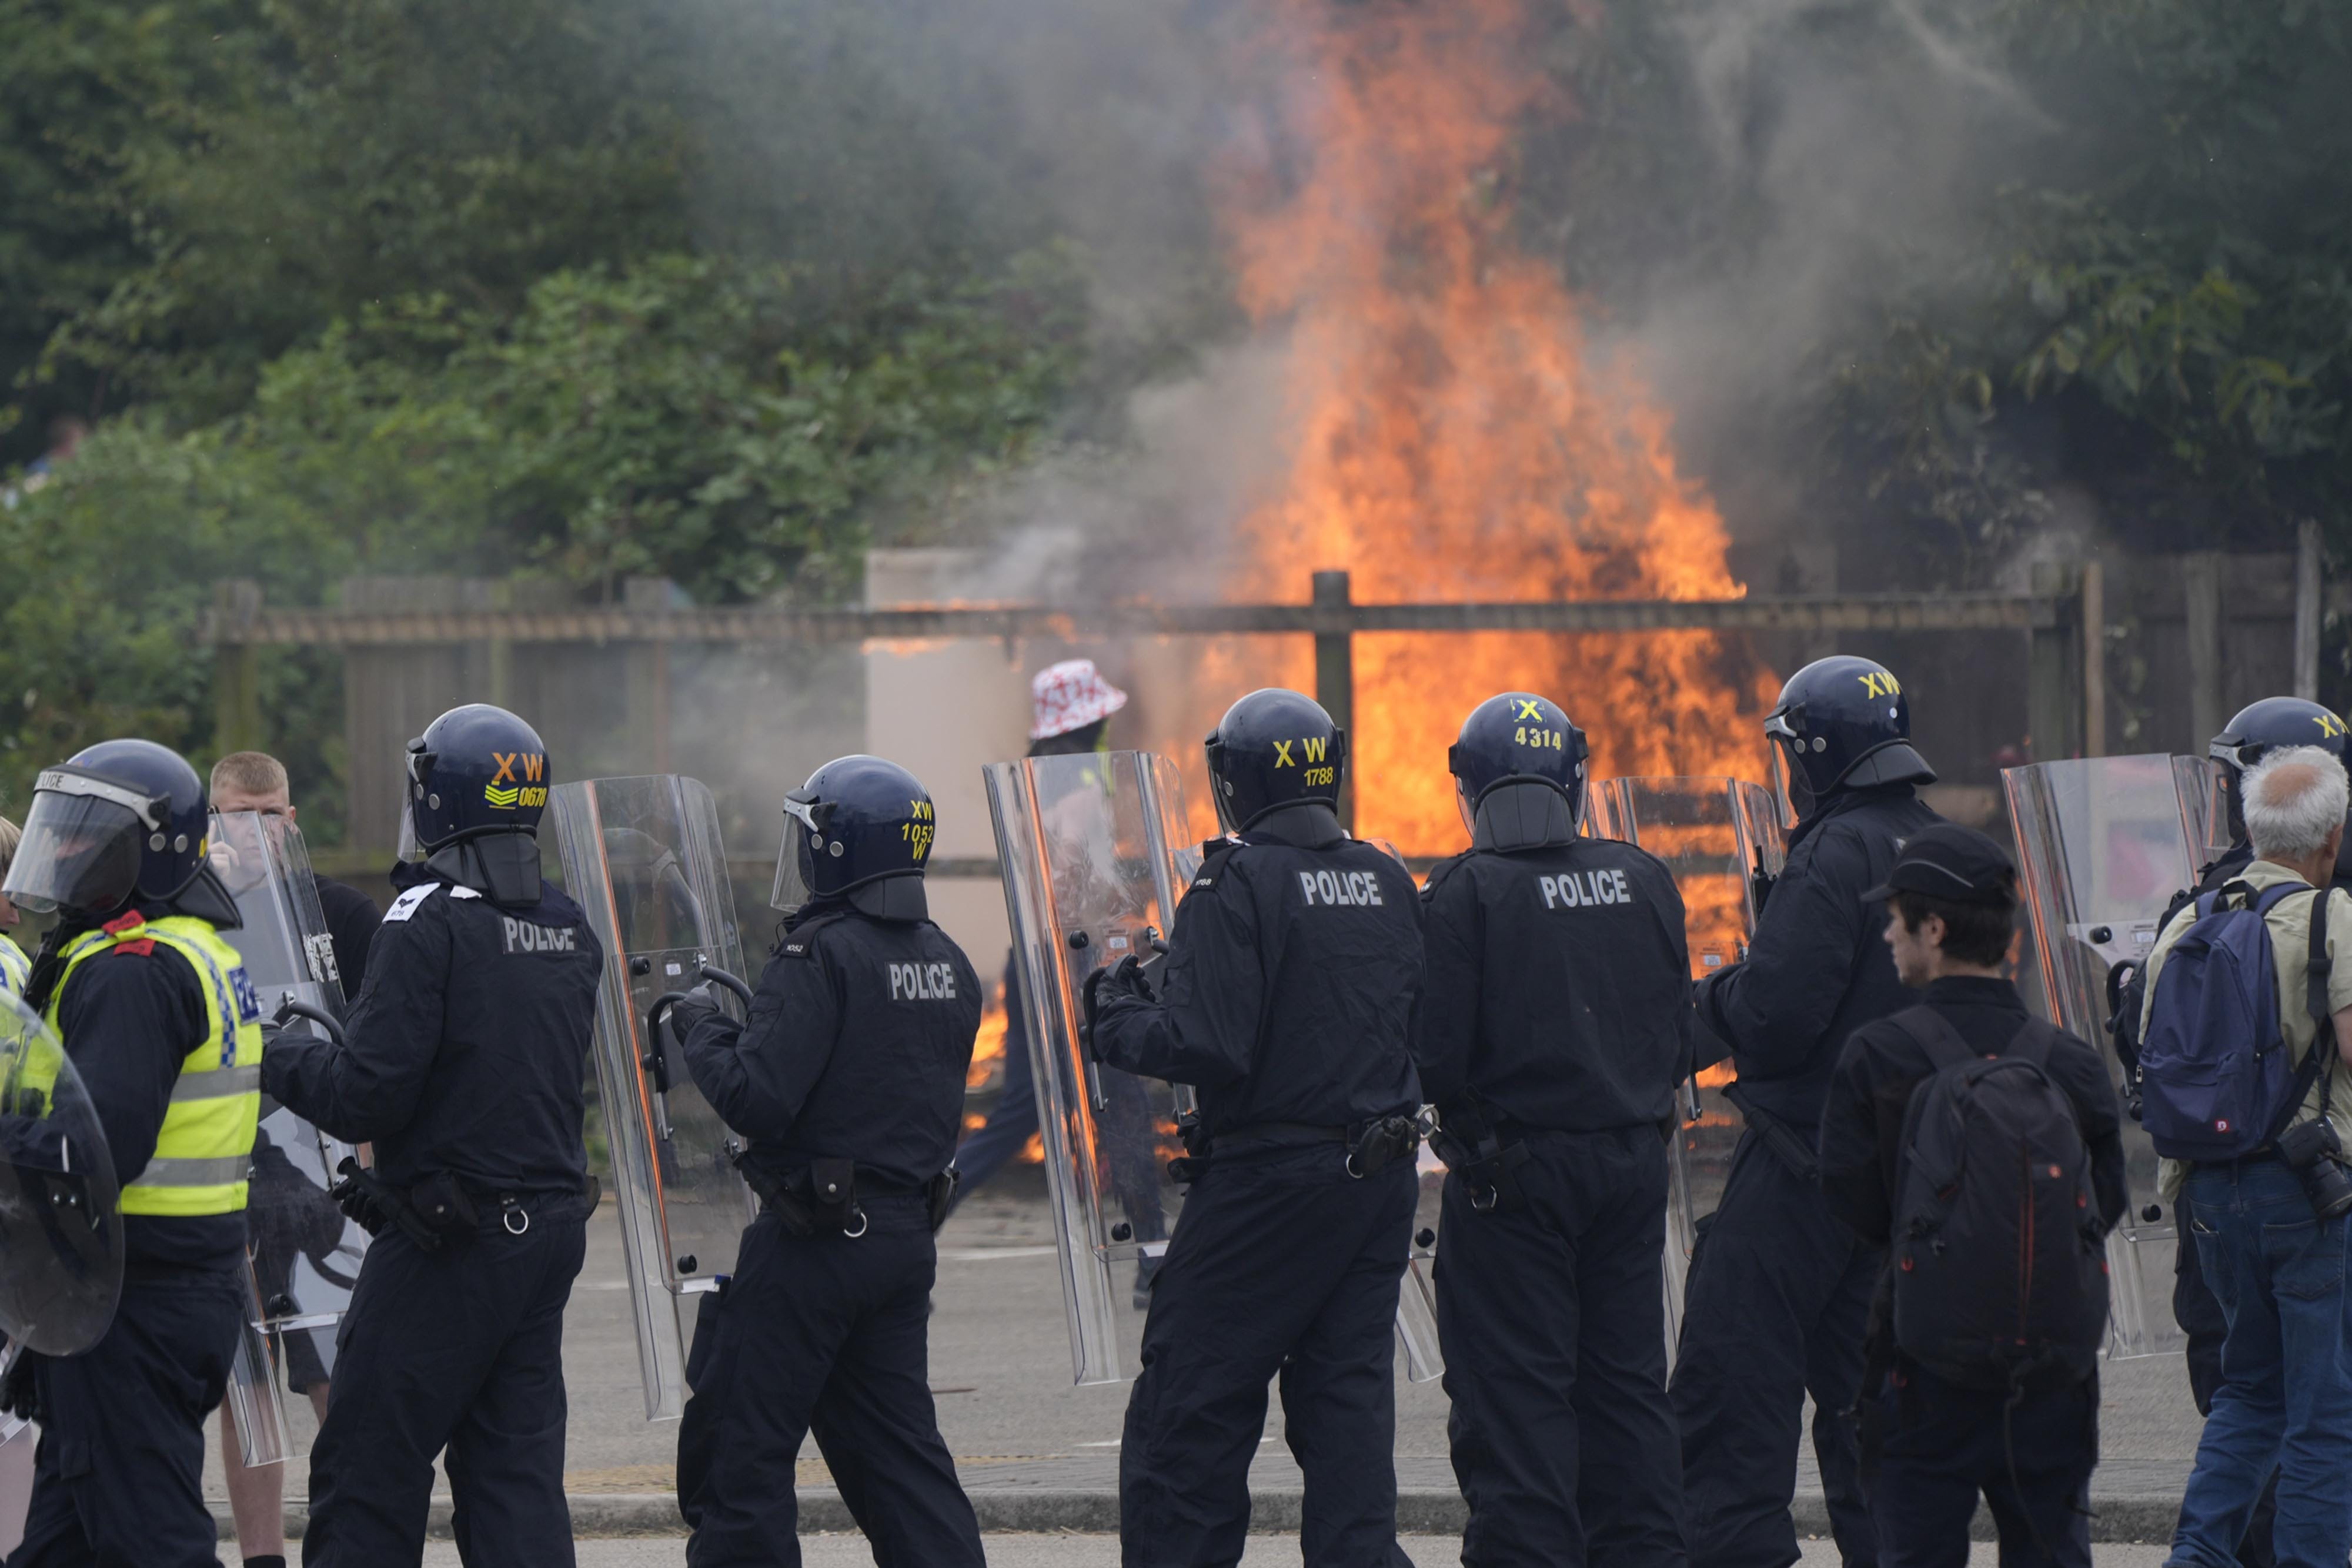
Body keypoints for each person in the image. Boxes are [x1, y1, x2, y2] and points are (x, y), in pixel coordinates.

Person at [1090, 687, 1427, 1567]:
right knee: (1346, 1407)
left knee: (1190, 1404)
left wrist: (1115, 1008)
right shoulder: (1388, 874)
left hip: (1269, 1184)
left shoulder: (1234, 877)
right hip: (1377, 1181)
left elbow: (1206, 1041)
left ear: (1233, 779)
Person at [263, 703, 603, 1566]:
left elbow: (365, 1094)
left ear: (441, 800)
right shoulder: (566, 918)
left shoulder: (428, 913)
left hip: (454, 1238)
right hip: (547, 1231)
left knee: (368, 1464)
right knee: (512, 1475)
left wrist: (278, 1052)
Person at [669, 754, 985, 1567]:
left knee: (741, 1455)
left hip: (810, 1245)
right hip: (900, 1240)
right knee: (901, 1461)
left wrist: (698, 1023)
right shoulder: (946, 957)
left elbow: (758, 1097)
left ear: (840, 848)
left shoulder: (820, 952)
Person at [1676, 654, 1942, 1568]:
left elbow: (1777, 1015)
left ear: (1820, 752)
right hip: (1905, 1171)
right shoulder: (1943, 847)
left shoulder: (1834, 852)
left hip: (1804, 1165)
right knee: (1869, 1401)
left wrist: (1704, 1004)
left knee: (1730, 1378)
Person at [1416, 693, 1693, 1567]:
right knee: (1628, 1395)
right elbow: (1675, 1025)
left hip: (1515, 1184)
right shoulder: (1644, 875)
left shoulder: (1466, 891)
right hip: (1633, 1169)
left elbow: (1434, 1056)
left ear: (1472, 784)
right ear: (1574, 774)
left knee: (1516, 1404)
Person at [1819, 824, 2127, 1568]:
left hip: (1921, 1365)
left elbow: (1852, 1202)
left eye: (1897, 917)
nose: (1888, 932)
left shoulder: (1877, 1055)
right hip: (2053, 1374)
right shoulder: (2073, 1064)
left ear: (1934, 927)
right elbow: (2105, 1200)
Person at [0, 739, 265, 1568]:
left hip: (131, 1305)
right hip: (156, 1291)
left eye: (82, 836)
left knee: (154, 1546)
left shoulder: (132, 971)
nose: (61, 850)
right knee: (61, 1546)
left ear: (143, 848)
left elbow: (95, 1146)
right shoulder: (189, 947)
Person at [2143, 747, 2352, 1568]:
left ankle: (2196, 1557)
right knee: (2325, 1406)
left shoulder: (2186, 923)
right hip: (2310, 1193)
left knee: (2250, 1390)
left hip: (2209, 1195)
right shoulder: (2332, 915)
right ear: (2330, 838)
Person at [208, 750, 382, 1568]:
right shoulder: (192, 917)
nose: (251, 832)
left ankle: (356, 1537)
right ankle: (261, 1555)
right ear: (211, 820)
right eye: (234, 815)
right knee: (244, 1386)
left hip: (324, 1175)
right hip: (220, 1173)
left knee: (336, 1373)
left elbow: (384, 1050)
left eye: (266, 814)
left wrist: (376, 1162)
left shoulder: (338, 914)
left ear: (291, 820)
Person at [952, 657, 1129, 1209]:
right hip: (1072, 957)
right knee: (1122, 1098)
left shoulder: (1037, 776)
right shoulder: (1076, 782)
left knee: (1026, 1107)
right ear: (1086, 722)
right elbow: (1070, 869)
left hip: (1030, 955)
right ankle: (1151, 1252)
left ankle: (924, 1208)